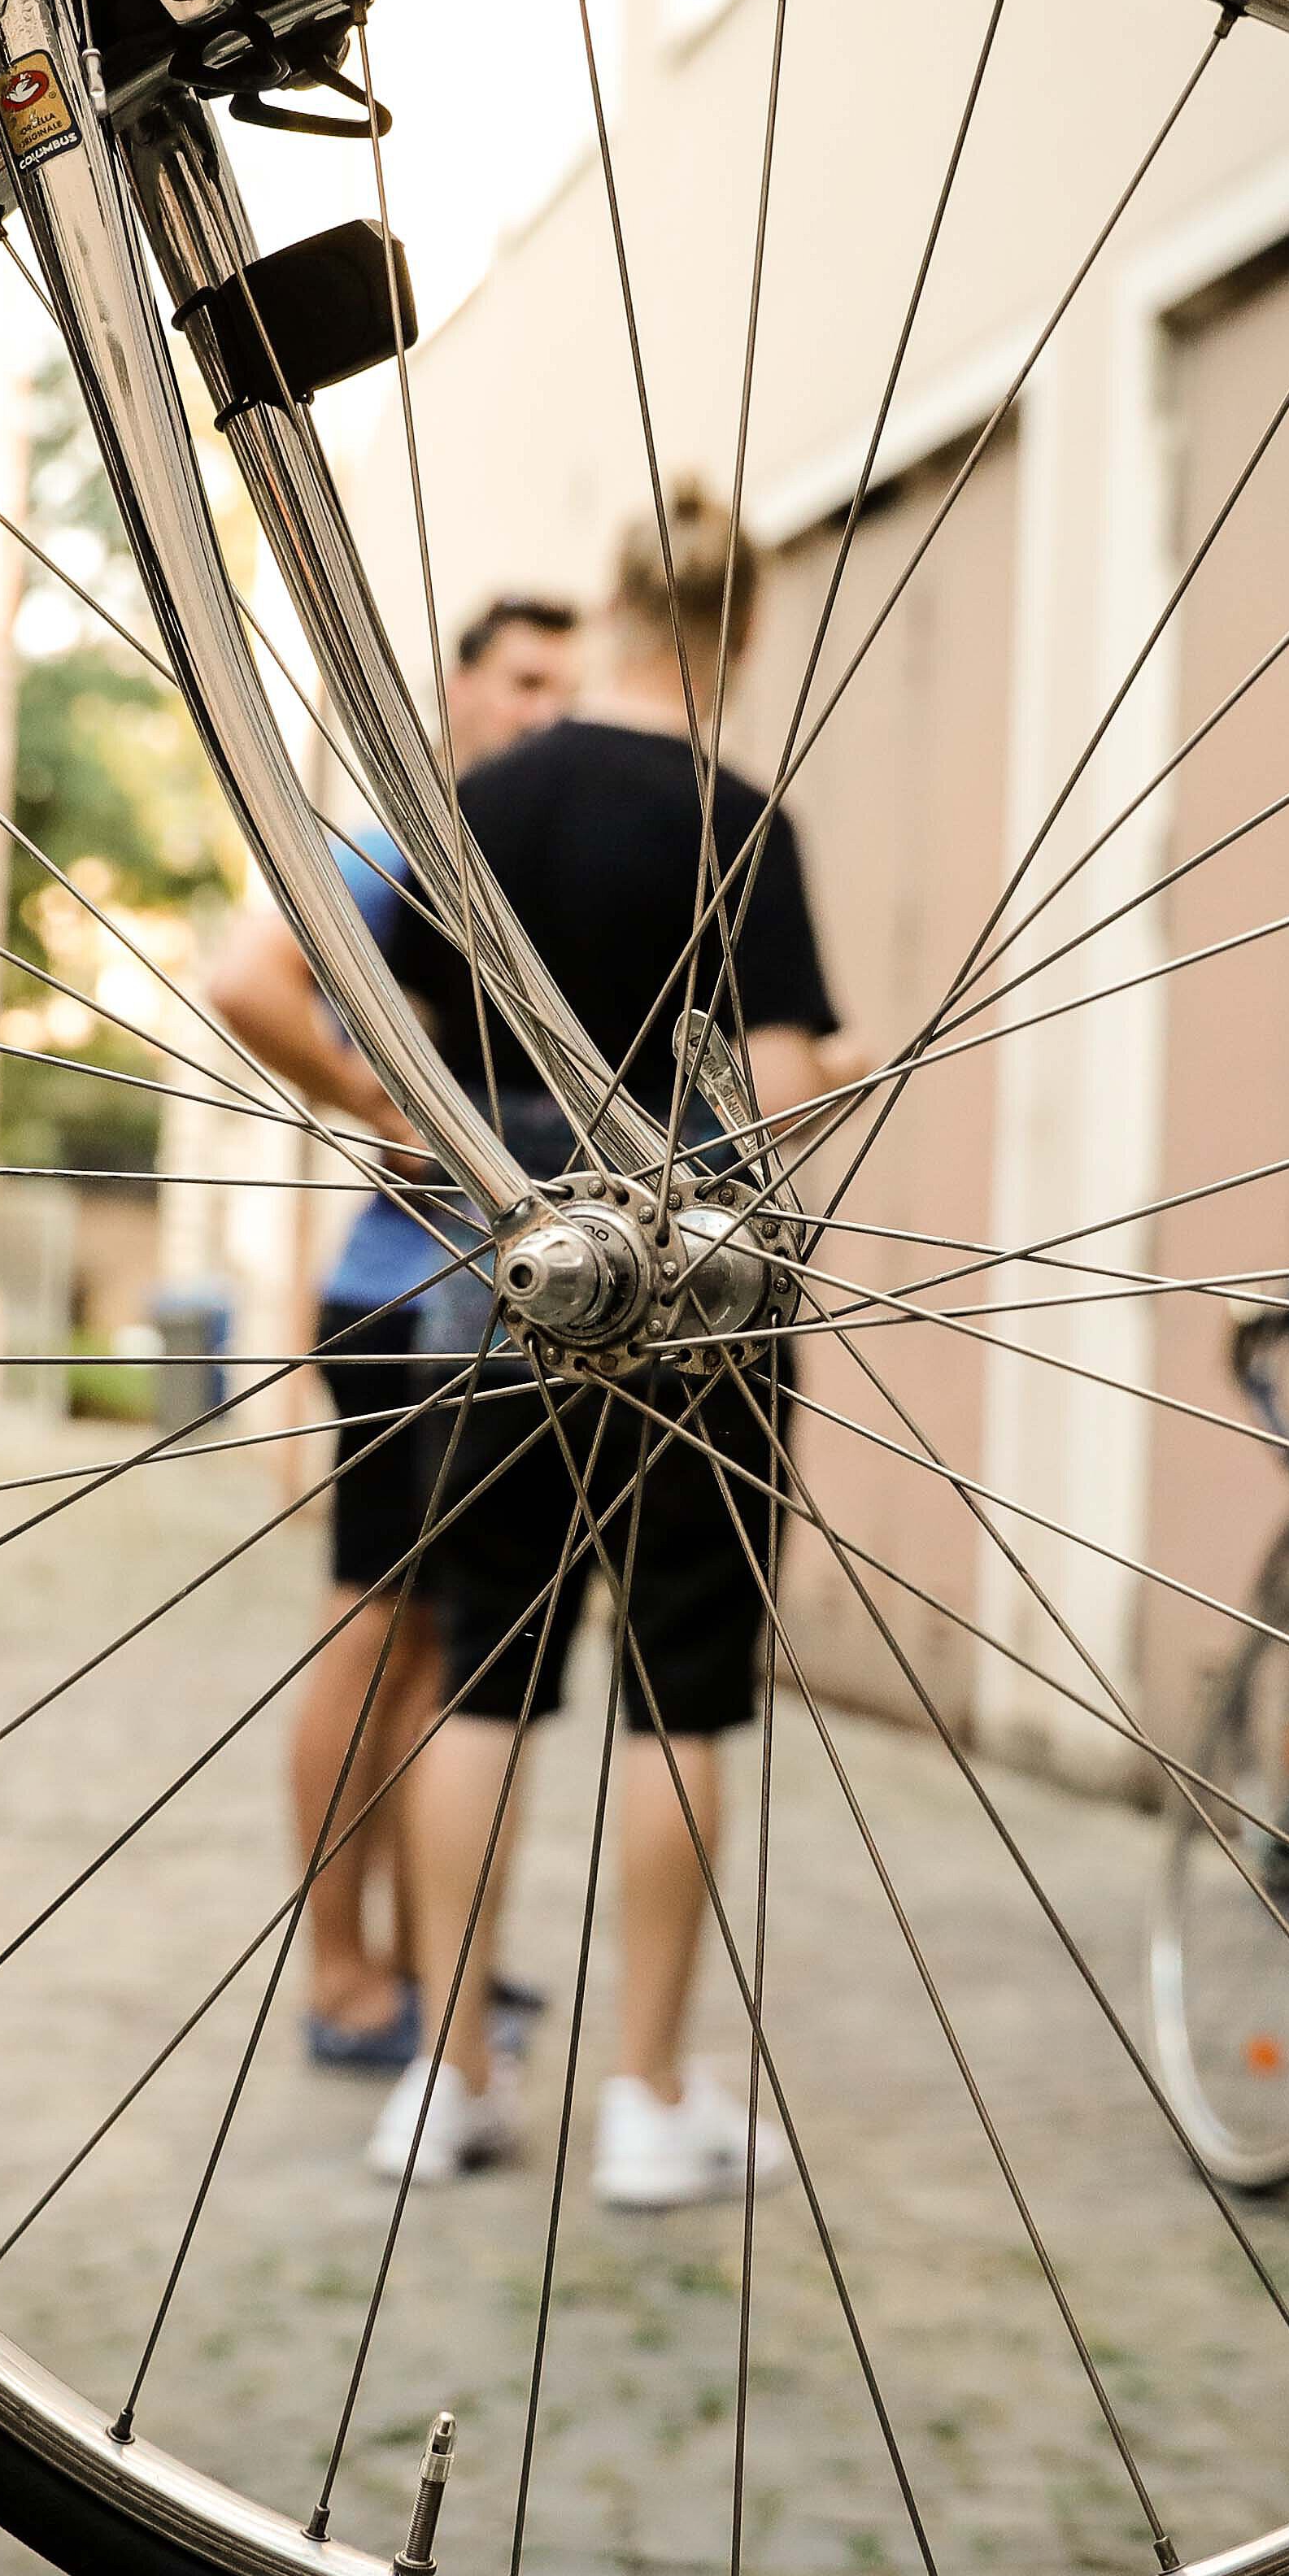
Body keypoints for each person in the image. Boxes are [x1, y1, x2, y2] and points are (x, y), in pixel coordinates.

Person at [368, 482, 836, 2208]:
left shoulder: (481, 799)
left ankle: (443, 2074)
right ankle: (644, 2098)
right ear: (736, 631)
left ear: (613, 606)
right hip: (706, 1279)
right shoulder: (741, 817)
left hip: (513, 1262)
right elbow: (779, 1087)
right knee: (679, 1688)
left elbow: (409, 1031)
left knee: (481, 1663)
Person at [202, 596, 581, 2065]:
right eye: (520, 682)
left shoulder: (509, 868)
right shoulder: (409, 852)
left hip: (481, 1313)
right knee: (370, 1633)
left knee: (433, 1647)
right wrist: (381, 1107)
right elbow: (244, 980)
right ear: (458, 693)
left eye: (565, 684)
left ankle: (433, 1957)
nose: (544, 711)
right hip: (391, 1301)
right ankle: (342, 1974)